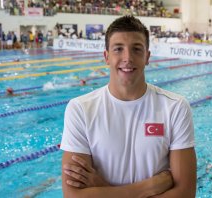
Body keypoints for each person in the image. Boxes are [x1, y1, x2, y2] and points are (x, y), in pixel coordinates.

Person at [61, 15, 196, 197]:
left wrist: (102, 186)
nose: (127, 58)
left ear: (147, 56)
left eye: (136, 49)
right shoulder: (80, 109)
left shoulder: (175, 108)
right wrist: (149, 187)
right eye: (118, 49)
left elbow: (185, 193)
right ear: (106, 56)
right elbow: (73, 196)